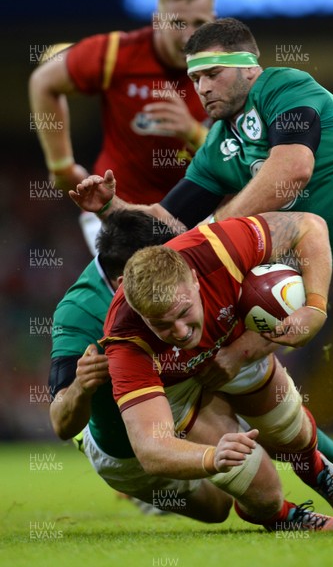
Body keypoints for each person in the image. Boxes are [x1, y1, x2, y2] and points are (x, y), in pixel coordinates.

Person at [77, 17, 333, 534]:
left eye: (213, 73)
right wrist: (115, 209)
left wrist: (217, 234)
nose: (202, 88)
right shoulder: (218, 146)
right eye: (195, 79)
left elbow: (292, 172)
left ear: (247, 67)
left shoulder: (285, 88)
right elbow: (169, 227)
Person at [101, 210, 333, 532]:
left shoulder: (217, 249)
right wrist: (210, 458)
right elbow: (151, 448)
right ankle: (280, 516)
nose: (179, 332)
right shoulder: (124, 340)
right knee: (259, 484)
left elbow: (310, 226)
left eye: (184, 312)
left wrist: (315, 307)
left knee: (292, 432)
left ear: (193, 278)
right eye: (161, 324)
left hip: (231, 345)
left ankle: (314, 468)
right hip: (175, 387)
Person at [50, 209, 232, 521]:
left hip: (180, 398)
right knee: (219, 507)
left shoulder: (175, 278)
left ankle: (324, 472)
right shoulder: (79, 312)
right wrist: (81, 387)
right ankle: (137, 487)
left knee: (249, 403)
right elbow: (60, 423)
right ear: (126, 278)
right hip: (126, 449)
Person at [29, 0, 214, 253]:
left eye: (199, 23)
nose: (188, 36)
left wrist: (193, 132)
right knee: (140, 291)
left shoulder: (225, 68)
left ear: (212, 22)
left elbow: (240, 157)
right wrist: (61, 166)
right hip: (116, 212)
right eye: (177, 22)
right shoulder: (117, 53)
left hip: (192, 215)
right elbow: (43, 81)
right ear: (157, 20)